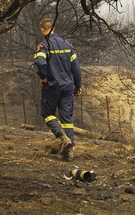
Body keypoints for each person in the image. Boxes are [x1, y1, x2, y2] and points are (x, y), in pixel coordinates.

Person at [34, 18, 82, 161]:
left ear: (43, 30)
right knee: (67, 118)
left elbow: (40, 61)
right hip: (67, 87)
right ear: (53, 28)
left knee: (47, 113)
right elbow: (76, 68)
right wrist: (78, 86)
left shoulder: (44, 45)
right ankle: (69, 151)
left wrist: (43, 77)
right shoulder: (67, 44)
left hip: (52, 86)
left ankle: (62, 136)